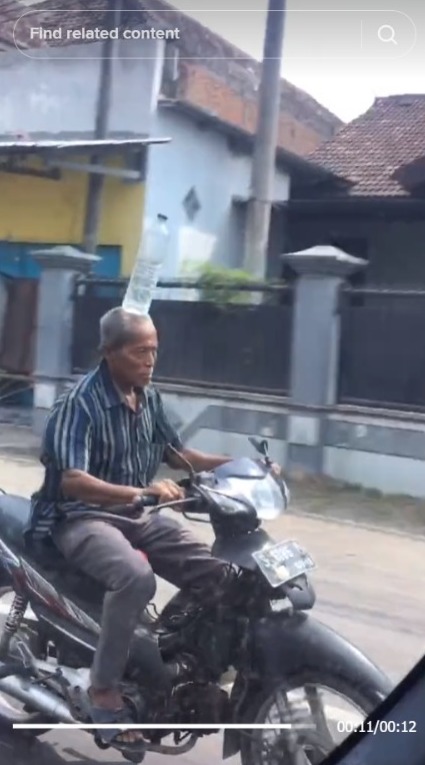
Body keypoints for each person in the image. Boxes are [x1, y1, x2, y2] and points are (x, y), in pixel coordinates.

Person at [26, 306, 238, 750]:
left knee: (219, 572)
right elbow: (72, 480)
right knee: (134, 576)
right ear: (109, 353)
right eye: (140, 352)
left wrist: (237, 466)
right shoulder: (79, 402)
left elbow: (181, 456)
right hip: (78, 518)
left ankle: (170, 656)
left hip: (136, 514)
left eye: (155, 352)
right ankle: (104, 689)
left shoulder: (148, 397)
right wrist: (137, 493)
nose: (150, 361)